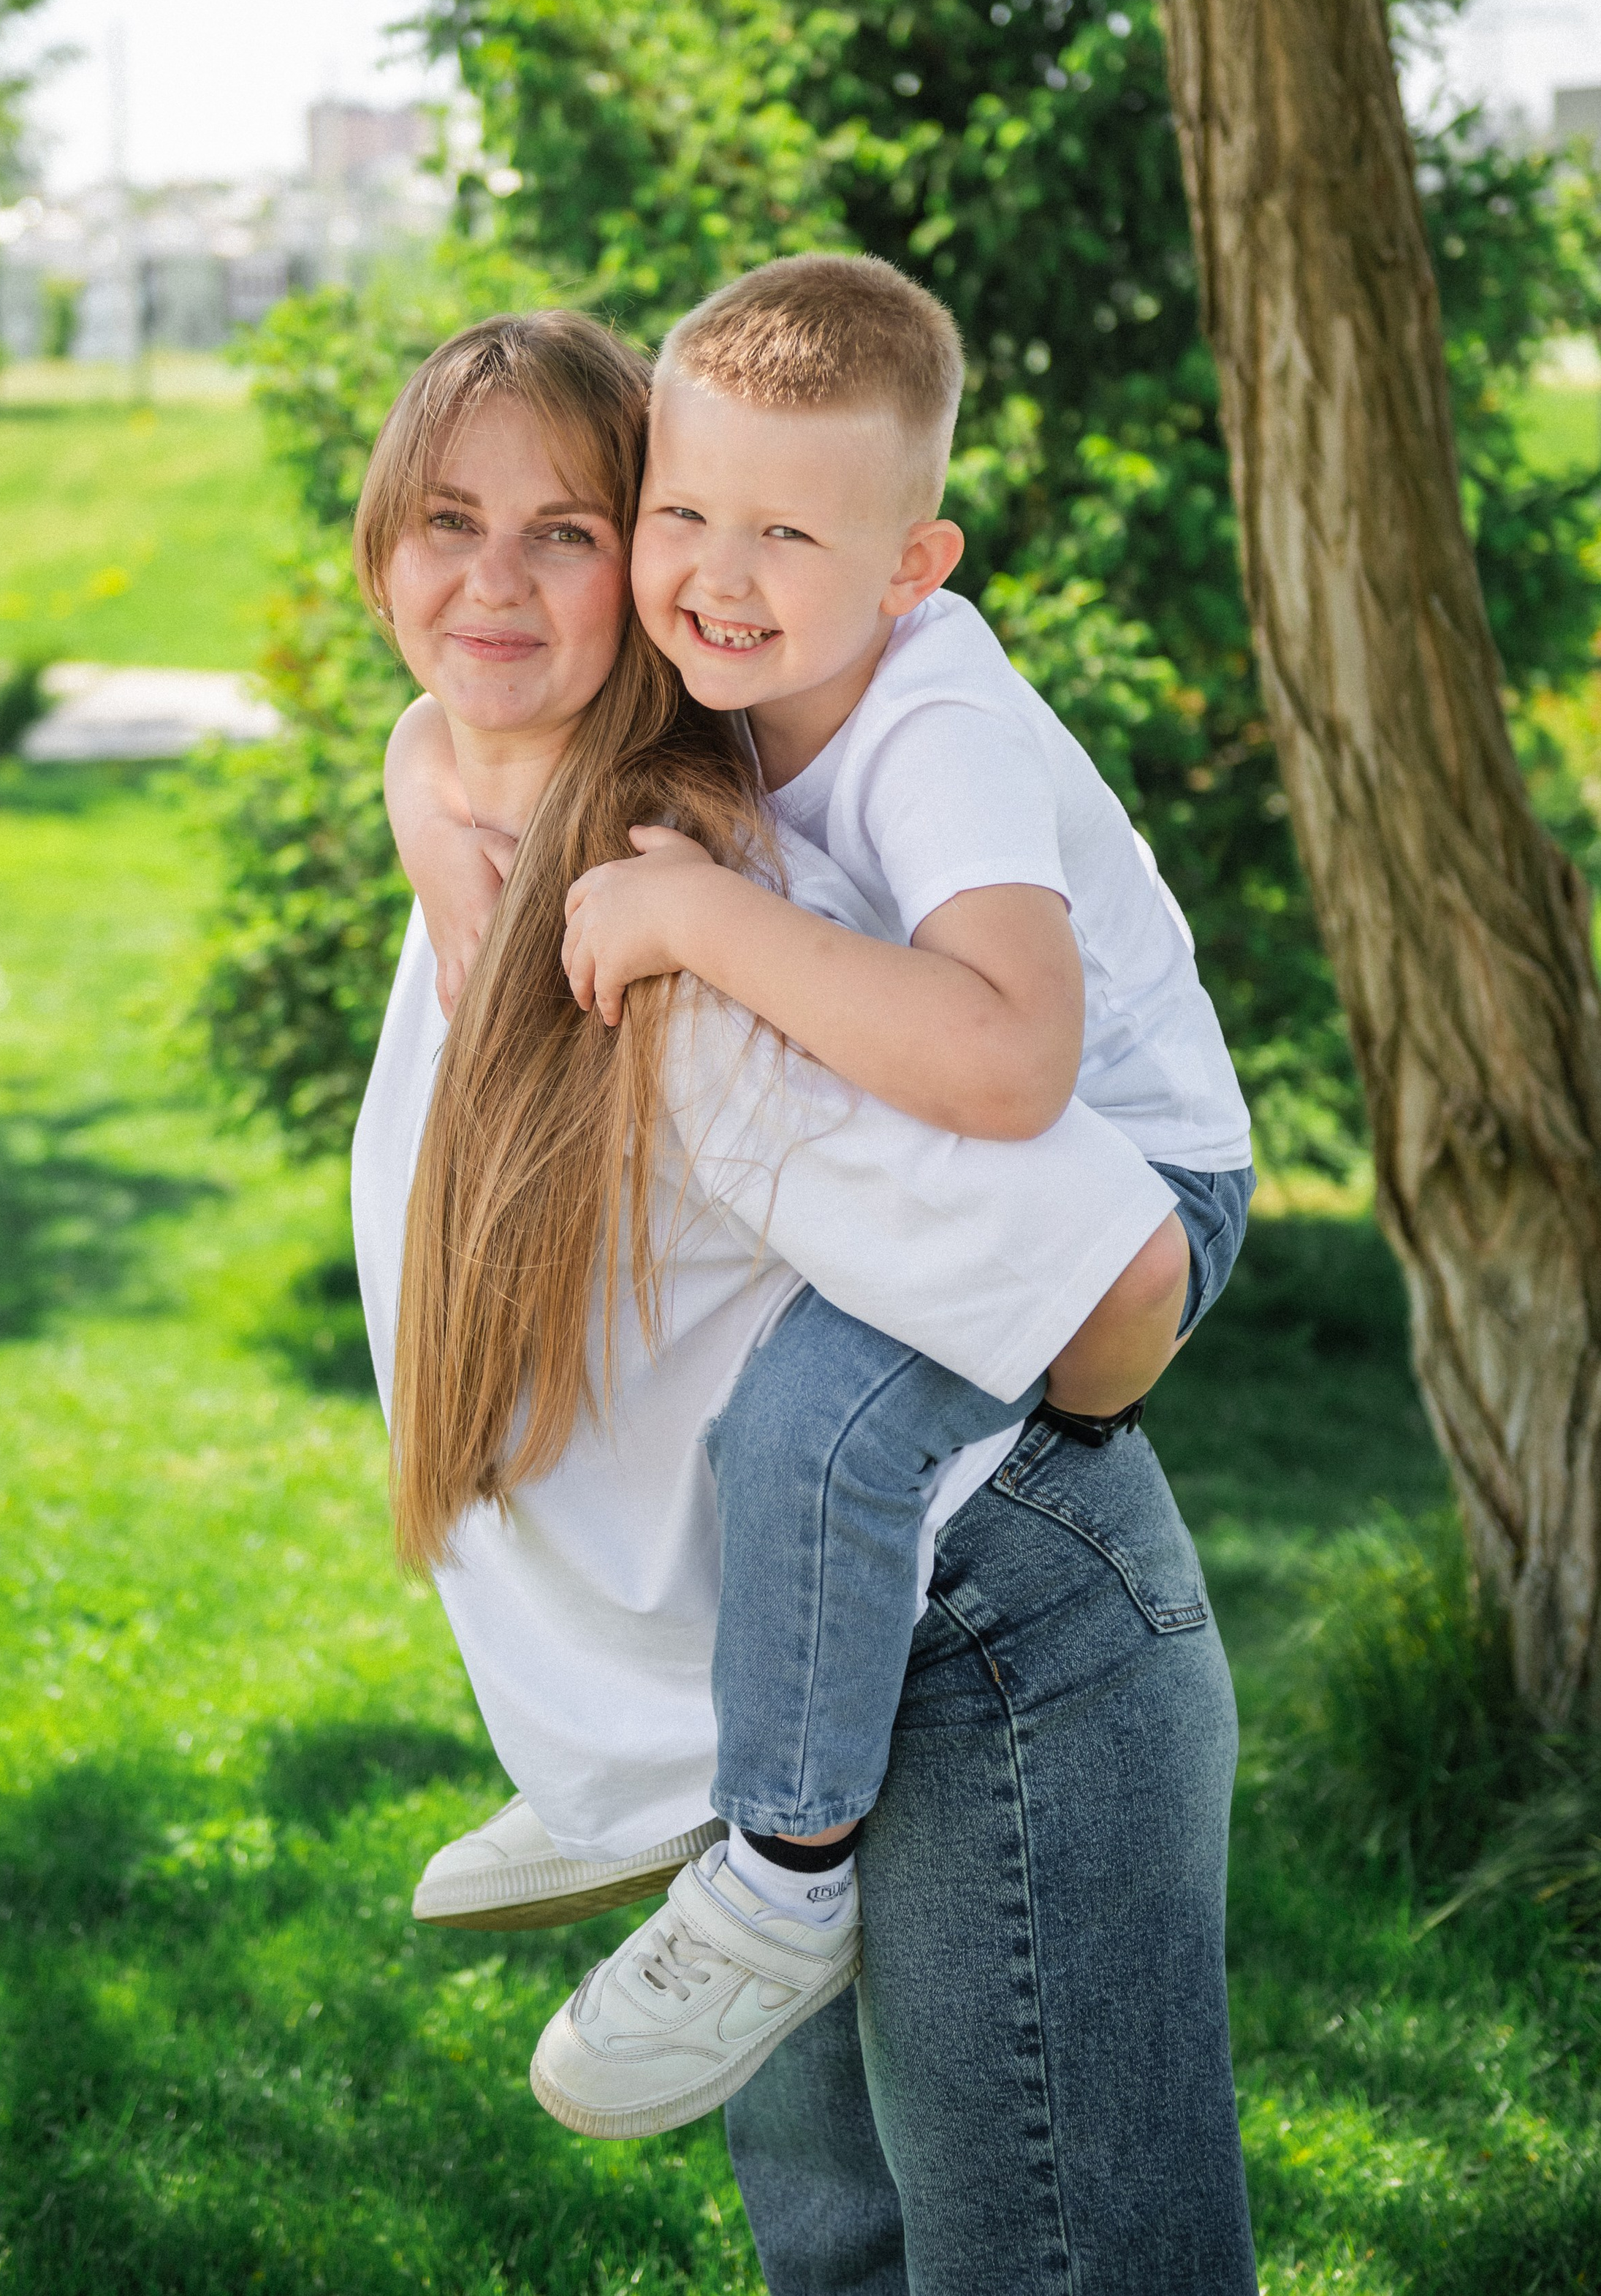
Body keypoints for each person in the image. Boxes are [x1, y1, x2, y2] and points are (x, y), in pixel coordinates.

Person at [350, 305, 1258, 2291]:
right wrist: (435, 796)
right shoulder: (498, 821)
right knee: (843, 2258)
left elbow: (1110, 1288)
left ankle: (770, 1863)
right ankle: (662, 1801)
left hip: (978, 1634)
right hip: (801, 1654)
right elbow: (449, 713)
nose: (491, 581)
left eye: (563, 531)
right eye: (441, 520)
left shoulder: (704, 907)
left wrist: (1116, 1362)